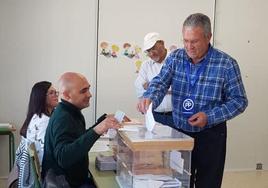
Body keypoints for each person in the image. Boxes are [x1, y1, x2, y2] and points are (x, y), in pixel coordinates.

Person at [137, 13, 248, 188]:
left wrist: (209, 116)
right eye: (185, 41)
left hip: (210, 134)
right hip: (180, 132)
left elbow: (239, 101)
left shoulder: (226, 64)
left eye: (194, 41)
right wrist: (150, 96)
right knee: (179, 181)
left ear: (208, 37)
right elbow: (160, 82)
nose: (189, 46)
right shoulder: (175, 58)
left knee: (208, 182)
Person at [41, 72, 121, 188]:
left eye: (88, 89)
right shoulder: (63, 117)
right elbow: (64, 158)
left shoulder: (70, 111)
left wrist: (103, 121)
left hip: (73, 179)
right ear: (67, 95)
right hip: (66, 183)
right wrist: (99, 128)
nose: (89, 94)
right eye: (83, 91)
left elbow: (78, 137)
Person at [13, 81, 58, 187]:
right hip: (45, 175)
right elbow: (44, 154)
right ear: (41, 97)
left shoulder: (38, 116)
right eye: (51, 93)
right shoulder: (43, 121)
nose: (56, 95)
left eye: (56, 92)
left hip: (36, 173)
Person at [135, 32, 173, 127]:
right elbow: (139, 86)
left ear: (162, 44)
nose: (151, 53)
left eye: (153, 49)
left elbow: (181, 88)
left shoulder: (175, 60)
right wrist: (167, 89)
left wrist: (151, 85)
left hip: (175, 115)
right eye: (148, 51)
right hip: (154, 115)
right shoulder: (146, 65)